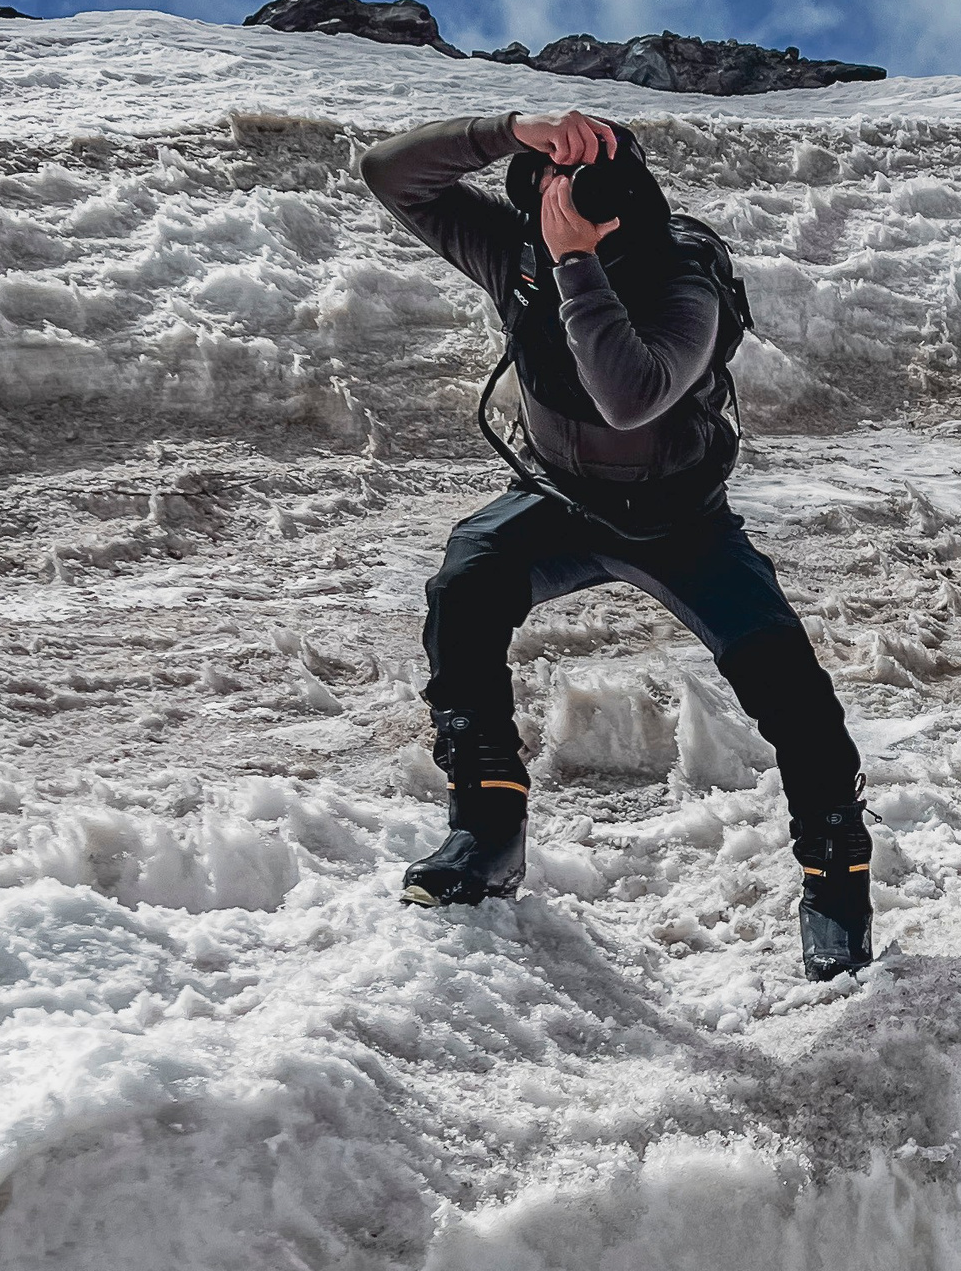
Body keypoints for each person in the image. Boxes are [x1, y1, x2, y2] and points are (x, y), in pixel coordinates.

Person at [358, 104, 873, 978]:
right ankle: (486, 828)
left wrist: (575, 264)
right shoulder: (515, 254)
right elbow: (388, 172)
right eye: (549, 192)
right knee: (466, 581)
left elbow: (628, 395)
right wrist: (510, 129)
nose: (562, 206)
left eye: (582, 196)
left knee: (792, 691)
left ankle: (836, 881)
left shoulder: (685, 280)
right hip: (559, 502)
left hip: (682, 522)